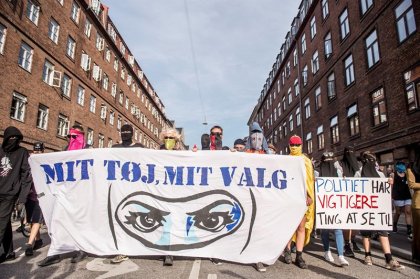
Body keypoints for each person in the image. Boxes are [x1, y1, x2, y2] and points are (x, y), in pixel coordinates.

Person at [38, 124, 91, 267]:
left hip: (80, 192)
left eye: (75, 136)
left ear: (81, 136)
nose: (71, 139)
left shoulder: (89, 150)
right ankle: (55, 253)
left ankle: (81, 249)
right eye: (69, 136)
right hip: (64, 191)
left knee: (79, 221)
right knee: (57, 220)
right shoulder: (64, 149)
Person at [355, 151, 404, 270]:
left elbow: (385, 191)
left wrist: (389, 183)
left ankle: (389, 258)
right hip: (364, 207)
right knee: (366, 232)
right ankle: (368, 255)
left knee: (383, 232)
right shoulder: (358, 173)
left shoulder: (380, 174)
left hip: (378, 209)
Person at [111, 124, 144, 264]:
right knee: (119, 218)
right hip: (118, 189)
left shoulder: (139, 148)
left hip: (135, 189)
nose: (124, 133)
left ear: (132, 133)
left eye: (127, 131)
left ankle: (136, 246)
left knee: (135, 218)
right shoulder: (114, 149)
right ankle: (123, 249)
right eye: (122, 131)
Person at [0, 126, 32, 263]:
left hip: (10, 194)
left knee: (0, 222)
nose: (13, 140)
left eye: (16, 138)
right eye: (11, 138)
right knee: (5, 223)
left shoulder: (22, 152)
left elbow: (26, 175)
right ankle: (9, 252)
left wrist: (23, 197)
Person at [283, 135, 314, 269]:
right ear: (289, 146)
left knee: (301, 227)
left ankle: (299, 255)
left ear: (301, 145)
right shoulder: (285, 160)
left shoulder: (306, 161)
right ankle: (287, 251)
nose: (294, 147)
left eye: (297, 145)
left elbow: (309, 180)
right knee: (289, 226)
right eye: (292, 145)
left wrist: (309, 195)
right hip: (289, 198)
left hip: (302, 198)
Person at [244, 122, 269, 272]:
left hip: (262, 196)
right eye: (253, 136)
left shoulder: (267, 156)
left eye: (259, 136)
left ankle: (259, 256)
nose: (256, 139)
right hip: (247, 195)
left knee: (259, 226)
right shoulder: (245, 154)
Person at [318, 152, 349, 266]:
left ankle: (341, 255)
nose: (329, 163)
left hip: (336, 203)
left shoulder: (338, 172)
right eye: (326, 161)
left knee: (338, 229)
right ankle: (327, 251)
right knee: (325, 229)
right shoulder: (317, 172)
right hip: (323, 204)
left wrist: (345, 181)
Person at [25, 142, 46, 256]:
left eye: (39, 151)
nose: (37, 153)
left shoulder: (45, 163)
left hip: (40, 196)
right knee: (31, 221)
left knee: (37, 220)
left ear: (43, 152)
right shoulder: (29, 162)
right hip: (29, 195)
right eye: (35, 151)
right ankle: (38, 240)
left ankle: (29, 244)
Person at [340, 146, 361, 257]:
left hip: (357, 198)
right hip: (345, 198)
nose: (349, 154)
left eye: (351, 152)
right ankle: (347, 244)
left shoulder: (359, 166)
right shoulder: (340, 165)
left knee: (356, 224)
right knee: (347, 223)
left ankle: (353, 240)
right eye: (347, 152)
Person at [392, 162, 412, 239]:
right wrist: (392, 196)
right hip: (398, 196)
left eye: (403, 165)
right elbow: (391, 185)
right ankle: (394, 224)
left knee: (408, 212)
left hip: (407, 195)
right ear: (397, 167)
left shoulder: (407, 174)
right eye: (400, 165)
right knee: (398, 212)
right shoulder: (394, 174)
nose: (402, 167)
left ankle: (409, 229)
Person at [407, 146, 420, 264]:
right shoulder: (411, 169)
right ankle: (417, 256)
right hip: (418, 204)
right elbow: (411, 185)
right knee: (418, 233)